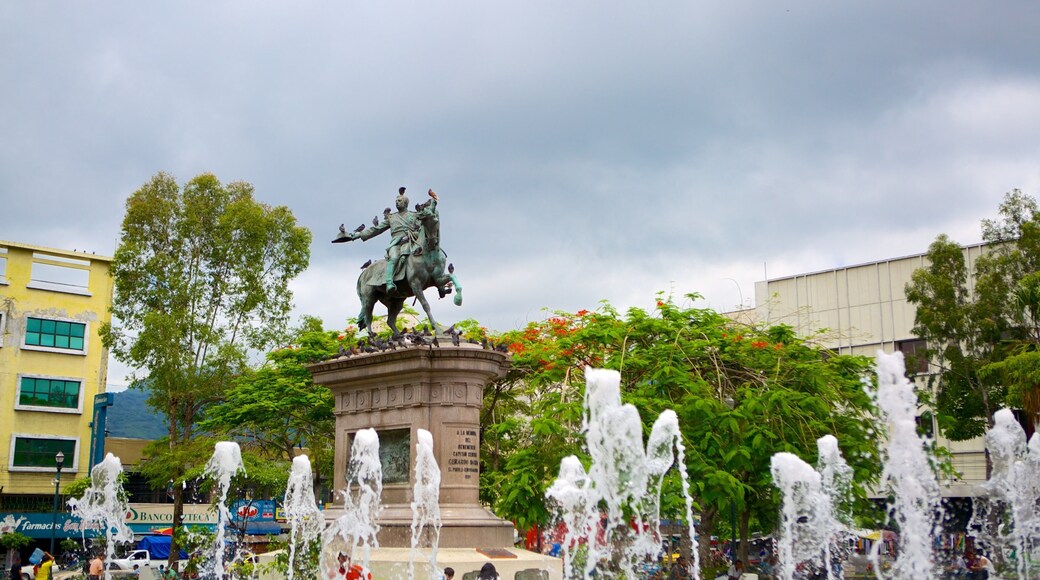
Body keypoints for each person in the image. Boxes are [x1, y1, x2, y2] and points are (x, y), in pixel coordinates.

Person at [338, 187, 439, 292]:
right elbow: (376, 229)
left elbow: (427, 218)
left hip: (411, 241)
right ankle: (389, 282)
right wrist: (358, 234)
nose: (397, 202)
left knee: (424, 254)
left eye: (399, 201)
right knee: (394, 258)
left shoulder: (413, 215)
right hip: (396, 243)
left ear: (405, 203)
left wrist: (433, 202)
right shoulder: (391, 218)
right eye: (396, 201)